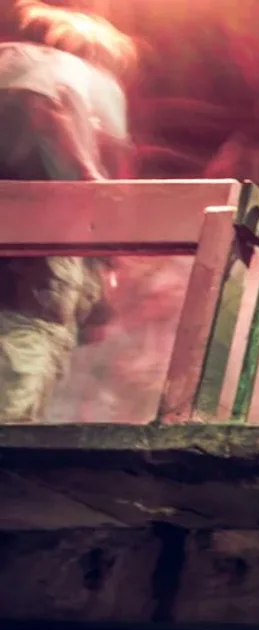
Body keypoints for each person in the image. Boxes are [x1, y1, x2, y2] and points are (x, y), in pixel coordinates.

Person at [0, 2, 135, 422]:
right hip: (45, 235)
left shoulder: (8, 58)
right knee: (36, 331)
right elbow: (50, 112)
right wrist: (91, 173)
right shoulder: (83, 75)